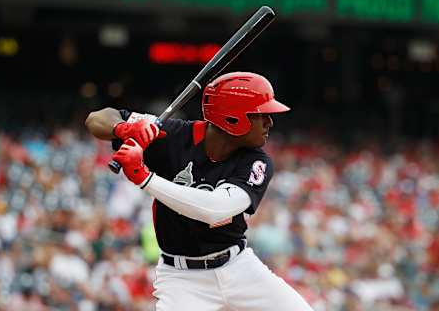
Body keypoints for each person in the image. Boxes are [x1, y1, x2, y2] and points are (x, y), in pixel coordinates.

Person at [85, 72, 313, 310]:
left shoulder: (257, 161)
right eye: (261, 115)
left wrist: (145, 178)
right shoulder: (172, 135)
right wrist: (124, 128)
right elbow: (96, 119)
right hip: (182, 279)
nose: (270, 123)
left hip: (238, 268)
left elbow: (214, 209)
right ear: (233, 118)